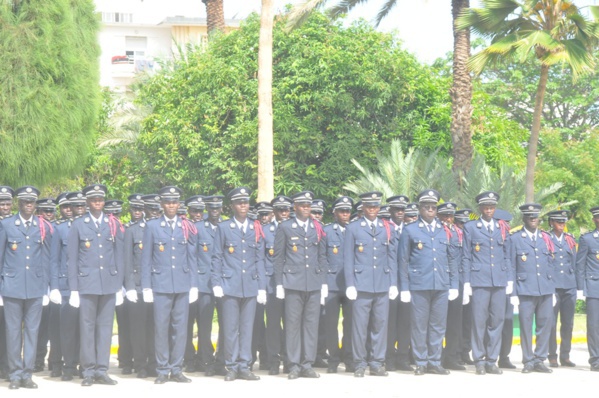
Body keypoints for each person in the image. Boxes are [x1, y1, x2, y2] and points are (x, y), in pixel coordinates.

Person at [67, 184, 124, 386]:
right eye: (94, 200)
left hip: (108, 284)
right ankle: (88, 371)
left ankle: (102, 370)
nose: (98, 202)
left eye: (100, 199)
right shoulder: (78, 225)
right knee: (87, 328)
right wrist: (74, 288)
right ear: (88, 202)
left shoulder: (113, 224)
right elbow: (72, 258)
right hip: (87, 284)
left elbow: (119, 256)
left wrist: (119, 285)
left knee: (105, 329)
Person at [141, 186, 199, 384]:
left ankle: (176, 369)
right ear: (162, 204)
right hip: (161, 285)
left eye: (174, 202)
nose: (171, 205)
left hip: (182, 285)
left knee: (180, 329)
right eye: (168, 202)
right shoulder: (152, 226)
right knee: (161, 328)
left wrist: (193, 285)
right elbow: (146, 259)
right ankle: (162, 370)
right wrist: (146, 286)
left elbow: (192, 257)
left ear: (179, 204)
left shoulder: (187, 226)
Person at [398, 189, 459, 376]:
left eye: (433, 207)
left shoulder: (445, 230)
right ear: (420, 209)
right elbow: (403, 260)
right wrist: (405, 287)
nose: (430, 210)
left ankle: (434, 361)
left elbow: (451, 259)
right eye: (426, 207)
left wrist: (454, 284)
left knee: (438, 325)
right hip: (419, 284)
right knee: (419, 325)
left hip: (441, 284)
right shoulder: (410, 230)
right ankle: (421, 362)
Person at [211, 187, 266, 381]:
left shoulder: (255, 227)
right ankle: (231, 366)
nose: (243, 205)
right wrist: (216, 282)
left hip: (250, 285)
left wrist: (262, 287)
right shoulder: (224, 228)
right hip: (229, 285)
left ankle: (244, 366)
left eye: (246, 202)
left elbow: (260, 259)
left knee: (247, 328)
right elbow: (217, 256)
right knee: (231, 328)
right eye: (239, 202)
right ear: (232, 206)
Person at [0, 186, 52, 389]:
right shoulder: (7, 224)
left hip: (35, 287)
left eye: (32, 202)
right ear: (19, 204)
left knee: (32, 332)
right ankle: (14, 374)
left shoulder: (42, 225)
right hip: (12, 288)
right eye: (25, 202)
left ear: (35, 204)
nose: (29, 205)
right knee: (13, 332)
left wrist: (48, 287)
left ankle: (27, 374)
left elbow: (47, 259)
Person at [274, 191, 327, 379]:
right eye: (302, 205)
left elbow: (322, 257)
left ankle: (307, 364)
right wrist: (279, 283)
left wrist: (323, 283)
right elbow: (278, 258)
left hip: (312, 283)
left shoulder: (317, 227)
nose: (306, 208)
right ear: (294, 207)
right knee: (292, 325)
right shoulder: (285, 227)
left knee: (311, 325)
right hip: (293, 283)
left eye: (308, 205)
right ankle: (293, 364)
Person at [345, 192, 397, 377]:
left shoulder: (386, 228)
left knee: (380, 326)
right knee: (360, 326)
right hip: (361, 284)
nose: (373, 210)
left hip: (382, 284)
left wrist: (393, 283)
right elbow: (349, 258)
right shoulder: (354, 228)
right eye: (369, 207)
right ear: (363, 208)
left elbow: (391, 256)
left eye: (375, 207)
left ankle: (376, 363)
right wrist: (350, 284)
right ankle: (359, 363)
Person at [462, 192, 511, 375]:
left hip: (498, 280)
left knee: (496, 321)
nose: (489, 210)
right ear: (480, 209)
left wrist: (509, 279)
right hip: (479, 280)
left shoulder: (502, 227)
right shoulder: (471, 227)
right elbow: (466, 256)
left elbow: (506, 255)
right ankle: (479, 360)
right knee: (478, 321)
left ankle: (492, 360)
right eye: (486, 207)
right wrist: (467, 282)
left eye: (492, 207)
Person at [508, 203, 555, 374]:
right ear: (524, 219)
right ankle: (528, 360)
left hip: (545, 289)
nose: (533, 219)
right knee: (526, 326)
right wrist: (513, 292)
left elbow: (551, 264)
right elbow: (511, 266)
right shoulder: (515, 239)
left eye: (535, 217)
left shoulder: (545, 238)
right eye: (529, 217)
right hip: (525, 289)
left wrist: (553, 289)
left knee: (545, 325)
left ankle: (539, 359)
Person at [123, 194, 156, 378]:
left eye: (140, 209)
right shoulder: (132, 231)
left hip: (156, 286)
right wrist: (128, 287)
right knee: (138, 328)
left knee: (155, 327)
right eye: (134, 209)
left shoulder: (157, 229)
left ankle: (154, 363)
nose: (138, 212)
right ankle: (141, 364)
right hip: (137, 287)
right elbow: (127, 261)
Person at [323, 196, 354, 373]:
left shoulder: (355, 230)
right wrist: (323, 284)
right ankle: (333, 359)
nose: (345, 214)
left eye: (347, 211)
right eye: (341, 211)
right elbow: (322, 259)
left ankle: (349, 359)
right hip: (332, 284)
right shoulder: (327, 232)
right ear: (334, 213)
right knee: (331, 324)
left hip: (351, 286)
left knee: (350, 324)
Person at [264, 195, 292, 375]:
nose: (283, 213)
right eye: (280, 209)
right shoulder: (264, 230)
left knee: (291, 324)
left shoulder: (295, 228)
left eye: (286, 209)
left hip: (291, 284)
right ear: (273, 211)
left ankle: (290, 361)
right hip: (271, 284)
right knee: (273, 325)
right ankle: (273, 360)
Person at [437, 202, 467, 372]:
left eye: (450, 216)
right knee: (437, 323)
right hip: (440, 281)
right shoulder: (436, 232)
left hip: (457, 282)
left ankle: (452, 356)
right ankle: (436, 356)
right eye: (444, 216)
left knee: (455, 323)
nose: (448, 219)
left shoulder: (458, 233)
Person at [546, 210, 578, 368]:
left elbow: (574, 263)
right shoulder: (546, 238)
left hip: (569, 286)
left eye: (563, 222)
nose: (561, 225)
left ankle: (565, 355)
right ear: (551, 223)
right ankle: (552, 355)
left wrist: (577, 286)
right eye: (558, 222)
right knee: (551, 323)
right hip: (553, 286)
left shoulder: (570, 239)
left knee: (568, 323)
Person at [386, 194, 413, 372]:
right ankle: (388, 358)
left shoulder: (411, 229)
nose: (400, 213)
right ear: (390, 210)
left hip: (408, 283)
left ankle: (403, 357)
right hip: (388, 282)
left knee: (406, 322)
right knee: (388, 323)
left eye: (403, 210)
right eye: (396, 209)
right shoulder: (383, 228)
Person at [47, 194, 71, 379]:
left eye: (71, 206)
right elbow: (51, 260)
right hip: (57, 284)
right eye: (64, 207)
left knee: (74, 327)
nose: (68, 210)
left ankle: (73, 361)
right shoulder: (54, 229)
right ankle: (56, 363)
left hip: (76, 285)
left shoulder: (79, 227)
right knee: (57, 327)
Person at [575, 206, 599, 372]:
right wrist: (579, 288)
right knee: (594, 326)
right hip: (594, 288)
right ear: (594, 220)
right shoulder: (588, 239)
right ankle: (596, 360)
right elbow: (580, 265)